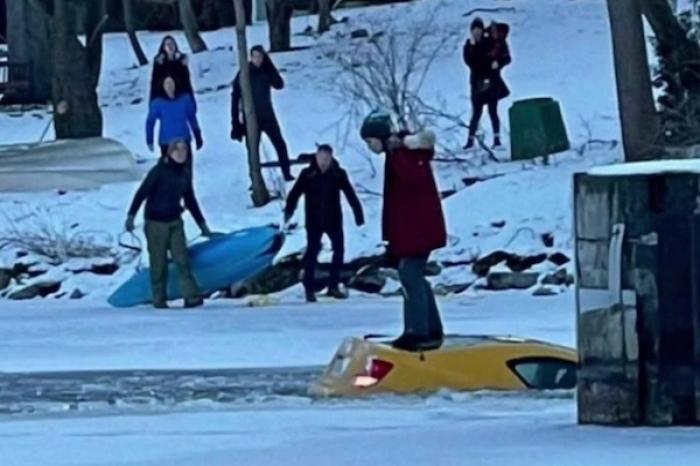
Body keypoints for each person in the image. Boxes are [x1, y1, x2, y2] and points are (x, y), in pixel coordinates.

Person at [360, 111, 447, 351]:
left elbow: (413, 187)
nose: (370, 147)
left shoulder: (401, 155)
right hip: (414, 229)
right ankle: (429, 329)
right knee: (413, 276)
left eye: (370, 142)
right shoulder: (397, 154)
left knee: (410, 276)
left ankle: (419, 332)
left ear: (379, 137)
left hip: (419, 229)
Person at [125, 140, 213, 309]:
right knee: (159, 263)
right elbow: (142, 193)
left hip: (175, 221)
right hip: (155, 223)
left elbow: (190, 200)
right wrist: (131, 215)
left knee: (182, 260)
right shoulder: (159, 171)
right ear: (169, 153)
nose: (181, 154)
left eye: (185, 150)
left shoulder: (184, 173)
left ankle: (191, 296)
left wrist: (202, 225)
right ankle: (159, 298)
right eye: (178, 151)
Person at [285, 144, 364, 303]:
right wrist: (289, 211)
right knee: (312, 253)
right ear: (316, 157)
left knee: (339, 251)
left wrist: (358, 214)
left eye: (327, 159)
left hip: (333, 219)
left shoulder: (338, 174)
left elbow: (350, 193)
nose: (324, 162)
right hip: (314, 219)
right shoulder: (308, 174)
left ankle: (333, 286)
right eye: (321, 158)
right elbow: (295, 193)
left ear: (331, 158)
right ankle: (309, 288)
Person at [231, 45, 294, 182]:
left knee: (280, 143)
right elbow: (235, 95)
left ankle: (287, 173)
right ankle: (255, 178)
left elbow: (279, 84)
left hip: (267, 114)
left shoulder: (266, 70)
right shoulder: (245, 71)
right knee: (253, 149)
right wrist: (236, 119)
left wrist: (270, 67)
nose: (257, 59)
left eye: (260, 56)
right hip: (251, 117)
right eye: (255, 56)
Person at [463, 18, 511, 149]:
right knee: (476, 113)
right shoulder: (469, 45)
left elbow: (499, 57)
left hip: (491, 81)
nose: (476, 33)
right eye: (474, 30)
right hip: (476, 83)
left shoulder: (489, 43)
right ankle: (470, 141)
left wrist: (498, 64)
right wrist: (473, 47)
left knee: (492, 111)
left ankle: (497, 139)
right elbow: (470, 62)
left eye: (479, 30)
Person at [146, 76, 203, 170]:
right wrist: (149, 140)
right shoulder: (158, 103)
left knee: (186, 172)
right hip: (166, 143)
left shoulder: (184, 99)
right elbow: (150, 122)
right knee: (169, 173)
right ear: (163, 86)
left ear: (175, 84)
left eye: (171, 83)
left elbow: (192, 118)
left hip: (184, 140)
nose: (169, 86)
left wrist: (197, 135)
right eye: (167, 84)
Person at [150, 35, 196, 105]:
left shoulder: (181, 60)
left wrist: (191, 100)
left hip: (181, 95)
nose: (170, 46)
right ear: (163, 47)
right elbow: (154, 82)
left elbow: (186, 81)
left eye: (172, 43)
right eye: (167, 44)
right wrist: (152, 101)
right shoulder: (159, 62)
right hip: (164, 97)